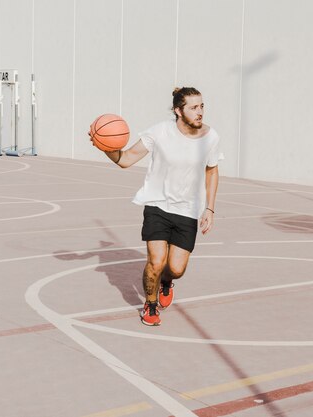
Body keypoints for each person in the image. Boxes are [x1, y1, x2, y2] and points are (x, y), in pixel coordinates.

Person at [91, 87, 223, 326]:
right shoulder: (160, 132)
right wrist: (105, 147)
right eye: (194, 107)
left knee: (176, 268)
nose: (200, 112)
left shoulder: (211, 138)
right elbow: (126, 159)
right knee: (156, 261)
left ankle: (166, 282)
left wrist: (210, 209)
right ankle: (150, 306)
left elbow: (212, 171)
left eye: (202, 106)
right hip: (157, 205)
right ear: (178, 111)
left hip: (188, 210)